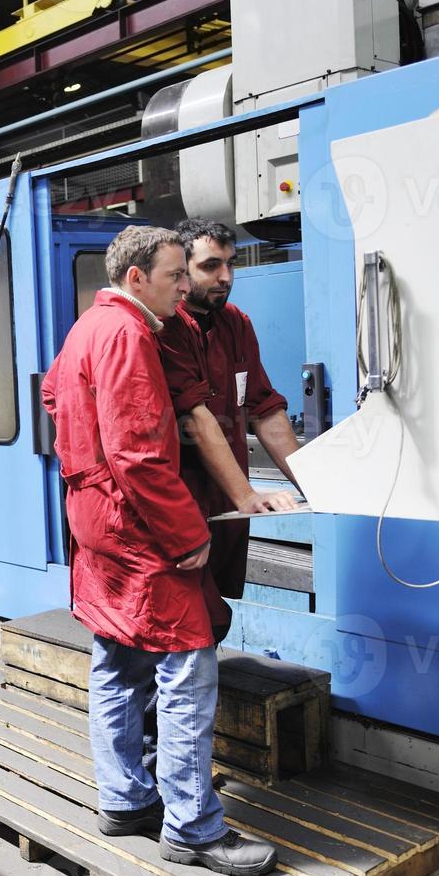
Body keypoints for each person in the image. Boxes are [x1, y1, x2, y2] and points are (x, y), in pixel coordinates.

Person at [41, 225, 277, 876]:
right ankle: (194, 828)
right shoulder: (130, 335)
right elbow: (139, 454)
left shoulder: (88, 327)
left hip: (97, 523)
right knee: (185, 671)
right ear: (139, 277)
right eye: (178, 275)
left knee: (117, 659)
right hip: (140, 529)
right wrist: (188, 532)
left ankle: (125, 799)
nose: (187, 287)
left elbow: (54, 395)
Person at [158, 219, 303, 640]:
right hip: (184, 504)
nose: (225, 277)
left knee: (211, 621)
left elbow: (263, 406)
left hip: (227, 510)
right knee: (187, 625)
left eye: (230, 264)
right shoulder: (165, 328)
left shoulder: (235, 323)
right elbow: (197, 419)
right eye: (210, 266)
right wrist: (249, 493)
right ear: (180, 270)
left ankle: (197, 703)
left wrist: (314, 483)